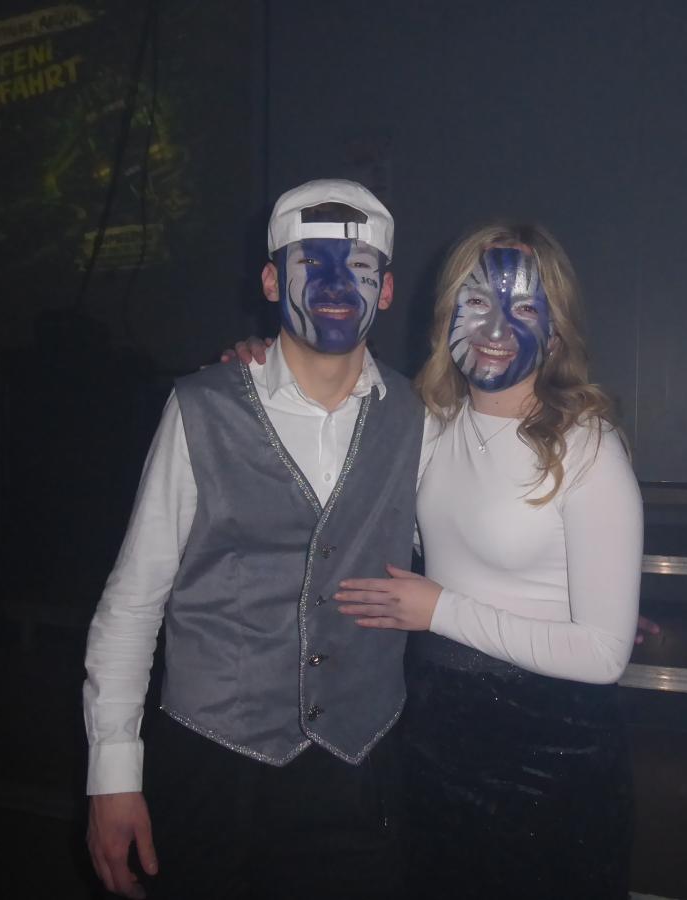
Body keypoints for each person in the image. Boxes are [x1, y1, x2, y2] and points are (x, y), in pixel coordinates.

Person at [82, 179, 428, 899]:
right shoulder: (200, 406)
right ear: (272, 282)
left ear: (387, 290)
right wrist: (113, 774)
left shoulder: (419, 417)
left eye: (359, 268)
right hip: (214, 764)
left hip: (360, 766)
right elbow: (134, 599)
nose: (335, 286)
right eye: (311, 264)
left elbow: (475, 539)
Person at [332, 223, 643, 899]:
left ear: (555, 332)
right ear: (449, 314)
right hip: (435, 730)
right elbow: (320, 395)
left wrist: (440, 609)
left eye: (523, 306)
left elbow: (603, 655)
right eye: (477, 302)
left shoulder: (587, 448)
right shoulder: (425, 424)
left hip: (553, 746)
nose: (496, 327)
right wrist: (256, 358)